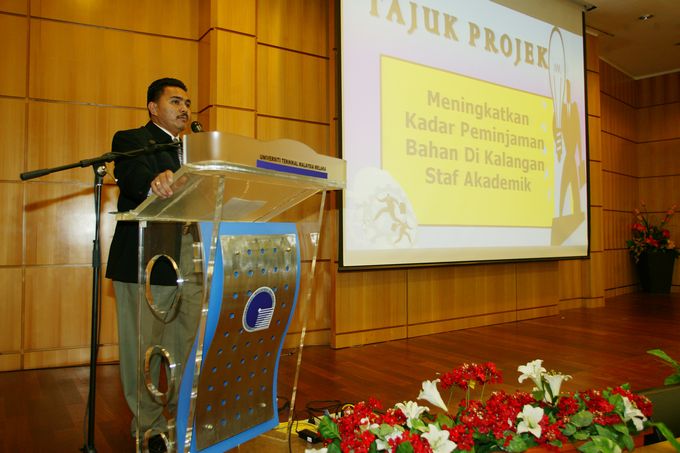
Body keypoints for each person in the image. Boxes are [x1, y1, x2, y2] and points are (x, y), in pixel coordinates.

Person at [106, 77, 202, 453]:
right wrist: (154, 180)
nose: (184, 109)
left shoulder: (193, 150)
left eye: (187, 103)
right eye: (175, 101)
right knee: (144, 349)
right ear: (153, 107)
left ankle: (180, 420)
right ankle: (149, 430)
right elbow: (133, 180)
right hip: (146, 257)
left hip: (190, 257)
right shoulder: (132, 139)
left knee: (184, 345)